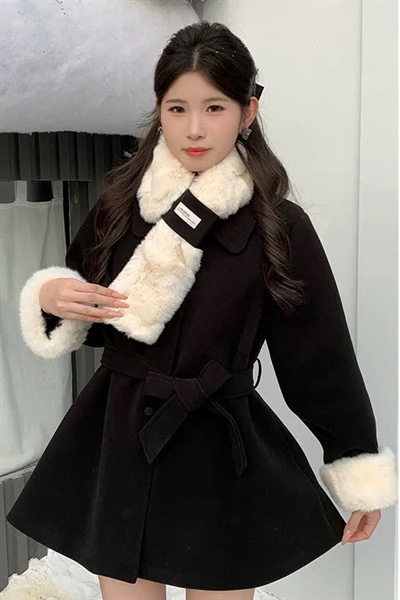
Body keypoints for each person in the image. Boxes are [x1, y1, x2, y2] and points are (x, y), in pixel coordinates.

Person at [6, 20, 397, 600]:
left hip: (218, 448)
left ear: (248, 111)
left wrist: (356, 464)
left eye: (214, 108)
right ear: (158, 112)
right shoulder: (121, 204)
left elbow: (320, 360)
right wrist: (49, 296)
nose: (194, 128)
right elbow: (89, 310)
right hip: (121, 435)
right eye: (177, 108)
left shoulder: (279, 226)